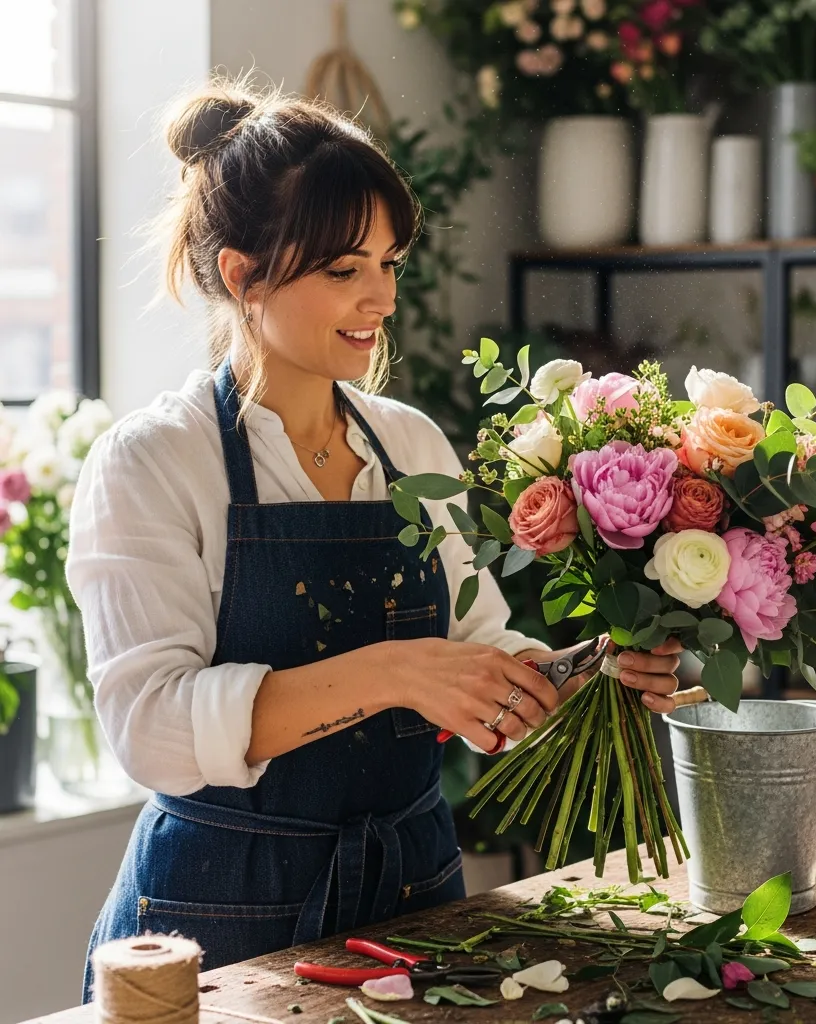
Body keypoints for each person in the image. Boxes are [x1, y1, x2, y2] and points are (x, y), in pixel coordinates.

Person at [66, 77, 682, 999]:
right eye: (344, 269)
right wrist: (393, 671)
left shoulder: (409, 442)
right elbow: (152, 729)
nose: (381, 297)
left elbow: (477, 657)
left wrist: (590, 674)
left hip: (414, 892)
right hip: (221, 913)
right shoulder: (155, 461)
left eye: (391, 263)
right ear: (242, 275)